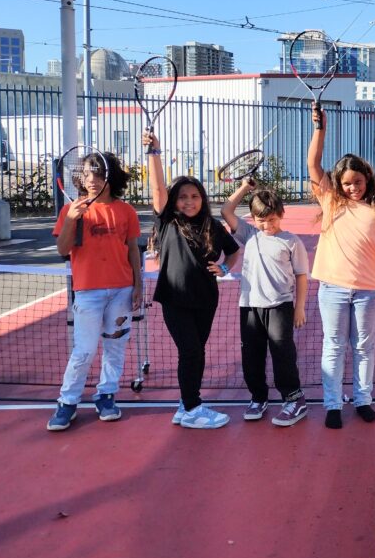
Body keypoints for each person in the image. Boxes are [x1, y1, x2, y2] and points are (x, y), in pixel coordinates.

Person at [145, 132, 241, 429]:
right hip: (175, 300)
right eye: (183, 197)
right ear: (174, 200)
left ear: (203, 198)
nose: (189, 201)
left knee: (195, 352)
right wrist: (154, 153)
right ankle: (192, 407)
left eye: (194, 196)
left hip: (206, 300)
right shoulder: (168, 221)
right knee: (191, 351)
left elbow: (234, 251)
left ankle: (187, 404)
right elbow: (158, 188)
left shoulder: (212, 225)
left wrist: (224, 269)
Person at [308, 108, 375, 429]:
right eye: (346, 183)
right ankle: (333, 404)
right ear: (338, 184)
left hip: (368, 291)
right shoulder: (331, 202)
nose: (352, 188)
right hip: (332, 288)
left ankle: (363, 400)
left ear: (367, 179)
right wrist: (320, 129)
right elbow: (313, 165)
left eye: (357, 181)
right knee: (333, 345)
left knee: (363, 347)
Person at [47, 152, 142, 431]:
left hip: (121, 291)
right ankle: (67, 403)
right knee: (84, 351)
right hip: (88, 293)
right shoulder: (71, 210)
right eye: (86, 174)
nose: (90, 180)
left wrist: (138, 284)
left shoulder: (126, 211)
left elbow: (133, 250)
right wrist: (70, 221)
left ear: (110, 176)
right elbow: (63, 250)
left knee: (115, 347)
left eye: (97, 173)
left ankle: (106, 395)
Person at [221, 179, 309, 427]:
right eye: (261, 220)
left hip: (280, 306)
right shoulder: (249, 235)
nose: (267, 225)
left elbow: (301, 276)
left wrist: (299, 307)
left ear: (281, 214)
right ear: (253, 218)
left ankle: (294, 399)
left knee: (283, 354)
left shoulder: (291, 241)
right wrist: (244, 187)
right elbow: (226, 211)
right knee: (251, 356)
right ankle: (258, 397)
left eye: (272, 219)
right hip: (249, 307)